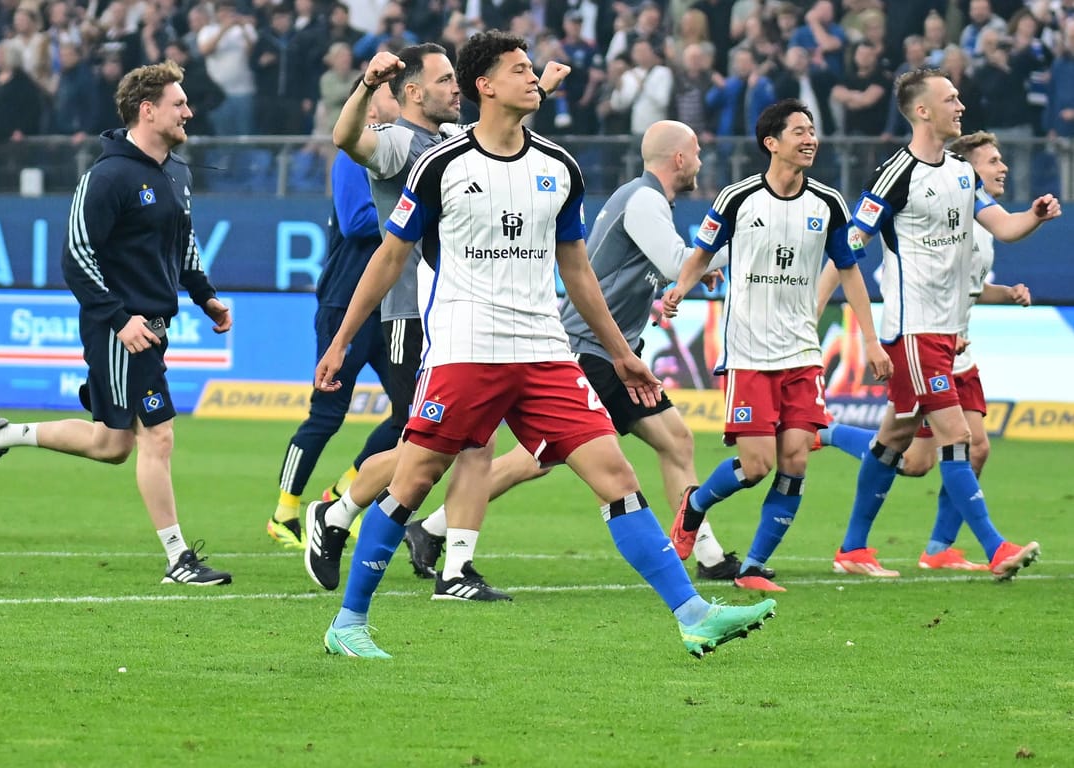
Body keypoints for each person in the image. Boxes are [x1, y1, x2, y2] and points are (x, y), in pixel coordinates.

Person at [312, 30, 777, 659]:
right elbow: (390, 258)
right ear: (487, 85)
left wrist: (619, 352)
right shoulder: (440, 167)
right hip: (464, 350)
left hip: (544, 352)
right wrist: (341, 341)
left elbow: (579, 272)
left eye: (533, 69)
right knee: (415, 481)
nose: (534, 78)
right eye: (520, 69)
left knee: (617, 474)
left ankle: (693, 614)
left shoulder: (558, 168)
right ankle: (348, 624)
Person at [389, 120, 757, 585]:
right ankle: (420, 523)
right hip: (589, 348)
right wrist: (738, 247)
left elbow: (656, 269)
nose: (701, 161)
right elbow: (674, 261)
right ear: (679, 159)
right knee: (541, 458)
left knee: (673, 440)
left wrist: (686, 277)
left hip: (604, 348)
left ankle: (707, 553)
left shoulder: (643, 201)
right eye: (697, 152)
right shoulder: (643, 199)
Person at [293, 43, 564, 601]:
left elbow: (499, 131)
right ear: (412, 92)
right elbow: (346, 140)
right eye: (444, 82)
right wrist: (366, 86)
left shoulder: (449, 142)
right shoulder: (398, 143)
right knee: (434, 444)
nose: (455, 90)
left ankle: (444, 560)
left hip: (456, 312)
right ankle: (341, 512)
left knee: (465, 440)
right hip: (412, 314)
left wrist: (539, 89)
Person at [0, 62, 234, 586]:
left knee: (114, 444)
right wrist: (119, 318)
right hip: (119, 330)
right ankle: (179, 559)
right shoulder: (106, 177)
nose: (189, 112)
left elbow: (184, 241)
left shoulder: (177, 173)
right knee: (160, 436)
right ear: (147, 110)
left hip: (151, 323)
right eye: (179, 104)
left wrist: (206, 296)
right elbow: (76, 255)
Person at [829, 68, 1053, 580]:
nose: (961, 106)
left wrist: (1035, 215)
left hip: (946, 335)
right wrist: (862, 333)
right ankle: (996, 547)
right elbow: (848, 250)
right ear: (922, 110)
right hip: (912, 330)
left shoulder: (960, 174)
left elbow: (1005, 225)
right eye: (950, 98)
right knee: (957, 436)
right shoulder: (893, 175)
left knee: (898, 442)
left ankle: (852, 548)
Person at [661, 99, 892, 593]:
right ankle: (695, 506)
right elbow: (701, 251)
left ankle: (752, 568)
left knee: (795, 460)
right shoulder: (737, 198)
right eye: (799, 132)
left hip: (802, 353)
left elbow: (849, 270)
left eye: (813, 131)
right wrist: (680, 287)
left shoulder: (828, 203)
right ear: (772, 142)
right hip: (748, 353)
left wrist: (870, 341)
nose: (810, 139)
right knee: (756, 466)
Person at [270, 82, 403, 563]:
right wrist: (413, 213)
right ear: (370, 103)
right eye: (392, 93)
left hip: (390, 308)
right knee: (326, 413)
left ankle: (341, 493)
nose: (400, 98)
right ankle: (283, 512)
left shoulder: (398, 154)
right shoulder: (354, 153)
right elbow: (354, 221)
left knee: (411, 415)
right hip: (344, 303)